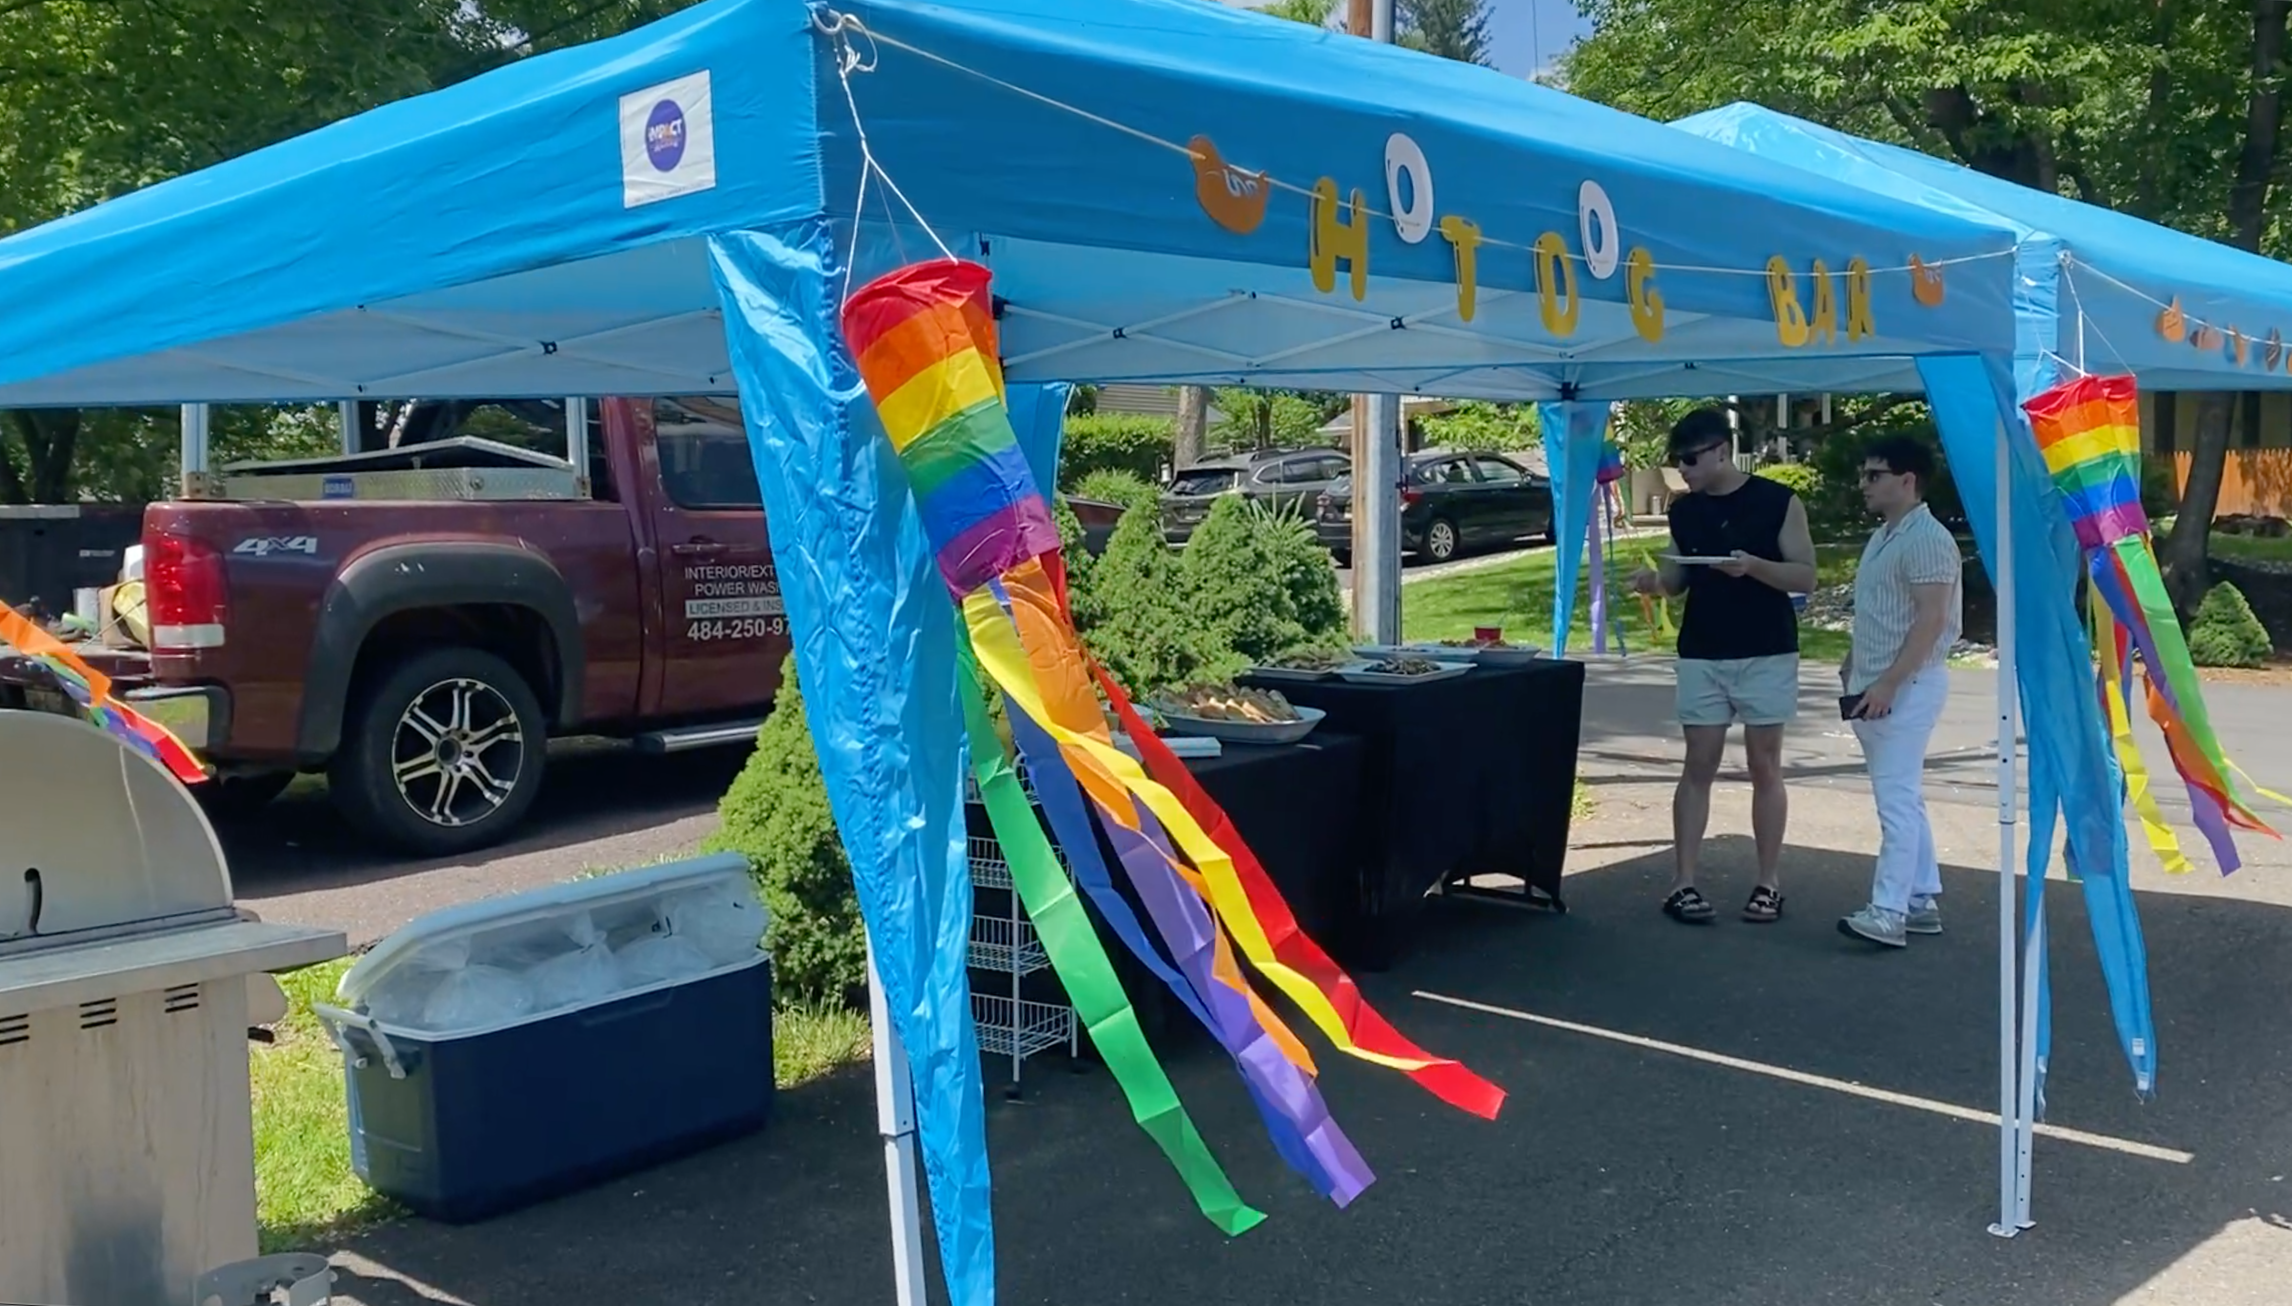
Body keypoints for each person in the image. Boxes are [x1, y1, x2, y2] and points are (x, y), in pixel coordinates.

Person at [1631, 408, 1817, 925]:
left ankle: (1768, 882)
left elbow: (1806, 578)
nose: (1683, 471)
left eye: (1690, 460)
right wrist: (1653, 582)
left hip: (1766, 648)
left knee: (1765, 766)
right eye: (1677, 462)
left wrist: (1753, 566)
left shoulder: (1777, 502)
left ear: (1720, 451)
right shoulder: (1684, 511)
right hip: (1703, 651)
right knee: (1698, 764)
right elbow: (1675, 577)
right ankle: (1683, 883)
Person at [1836, 435, 1963, 948]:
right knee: (1903, 796)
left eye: (1875, 475)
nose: (1864, 484)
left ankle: (1888, 909)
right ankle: (1918, 898)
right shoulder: (1886, 535)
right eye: (1865, 475)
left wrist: (1889, 681)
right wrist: (1855, 664)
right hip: (1877, 684)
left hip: (1907, 685)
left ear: (1907, 481)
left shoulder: (1928, 539)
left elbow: (1932, 620)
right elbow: (1882, 611)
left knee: (1895, 799)